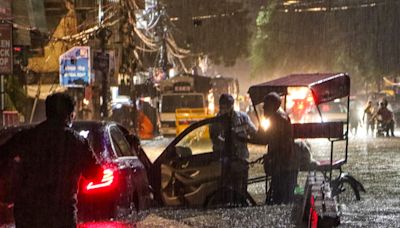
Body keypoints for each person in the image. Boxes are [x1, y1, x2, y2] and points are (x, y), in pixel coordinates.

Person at [0, 93, 101, 228]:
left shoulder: (26, 138)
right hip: (62, 215)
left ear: (48, 113)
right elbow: (96, 174)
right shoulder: (77, 142)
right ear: (70, 115)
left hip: (28, 213)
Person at [248, 92, 297, 205]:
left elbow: (264, 140)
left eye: (266, 106)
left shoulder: (277, 119)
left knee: (278, 196)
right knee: (277, 193)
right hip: (282, 161)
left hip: (282, 163)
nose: (264, 109)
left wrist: (244, 139)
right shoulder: (278, 117)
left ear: (273, 106)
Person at [210, 94, 256, 198]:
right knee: (224, 190)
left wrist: (242, 136)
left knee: (241, 190)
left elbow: (254, 133)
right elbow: (214, 140)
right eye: (222, 107)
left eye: (227, 107)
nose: (224, 110)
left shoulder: (243, 118)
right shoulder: (215, 122)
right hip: (223, 161)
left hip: (240, 158)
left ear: (232, 106)